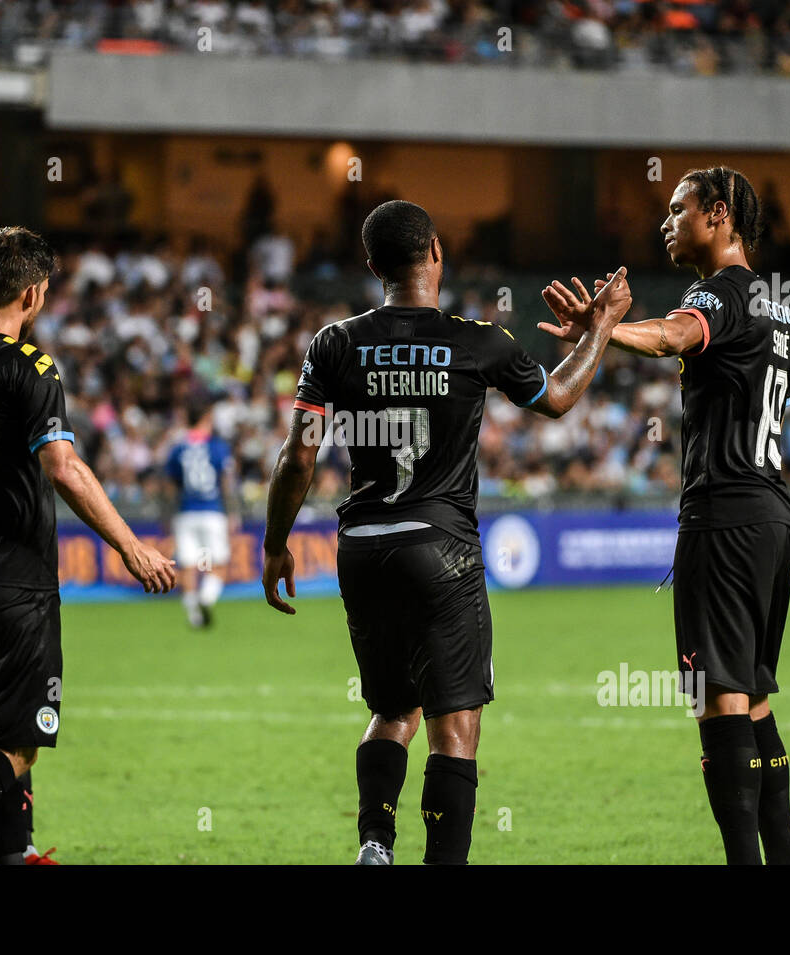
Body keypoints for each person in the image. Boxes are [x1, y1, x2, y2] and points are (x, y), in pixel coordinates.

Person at [262, 200, 632, 864]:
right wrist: (599, 329)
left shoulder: (335, 342)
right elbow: (557, 398)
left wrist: (274, 544)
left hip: (364, 549)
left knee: (392, 708)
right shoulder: (479, 340)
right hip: (441, 549)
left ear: (372, 265)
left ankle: (375, 840)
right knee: (454, 729)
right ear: (436, 252)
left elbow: (298, 454)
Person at [0, 226, 176, 865]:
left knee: (1, 730)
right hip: (15, 580)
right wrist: (131, 547)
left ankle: (16, 858)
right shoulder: (29, 365)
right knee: (16, 742)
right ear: (34, 295)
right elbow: (62, 466)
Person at [541, 167, 790, 865]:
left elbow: (674, 336)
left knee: (718, 703)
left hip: (725, 516)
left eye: (677, 208)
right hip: (774, 513)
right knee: (752, 701)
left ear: (718, 215)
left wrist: (606, 329)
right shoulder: (775, 307)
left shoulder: (717, 293)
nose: (666, 221)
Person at [165, 397, 237, 628]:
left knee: (187, 566)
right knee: (219, 563)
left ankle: (194, 616)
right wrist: (233, 512)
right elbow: (226, 482)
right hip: (211, 511)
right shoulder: (217, 446)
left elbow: (169, 486)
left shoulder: (178, 447)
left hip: (185, 512)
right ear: (206, 418)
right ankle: (206, 599)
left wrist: (167, 514)